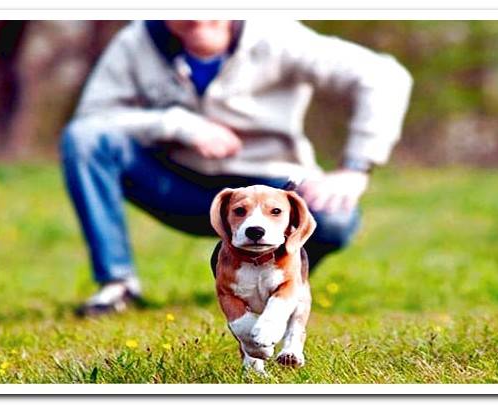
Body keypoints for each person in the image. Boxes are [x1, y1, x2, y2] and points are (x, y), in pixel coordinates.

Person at [60, 20, 413, 316]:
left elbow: (384, 76)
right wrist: (178, 124)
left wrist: (356, 166)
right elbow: (94, 118)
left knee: (333, 218)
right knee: (85, 139)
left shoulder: (275, 34)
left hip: (271, 180)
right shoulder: (136, 43)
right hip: (177, 186)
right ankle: (117, 285)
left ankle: (280, 282)